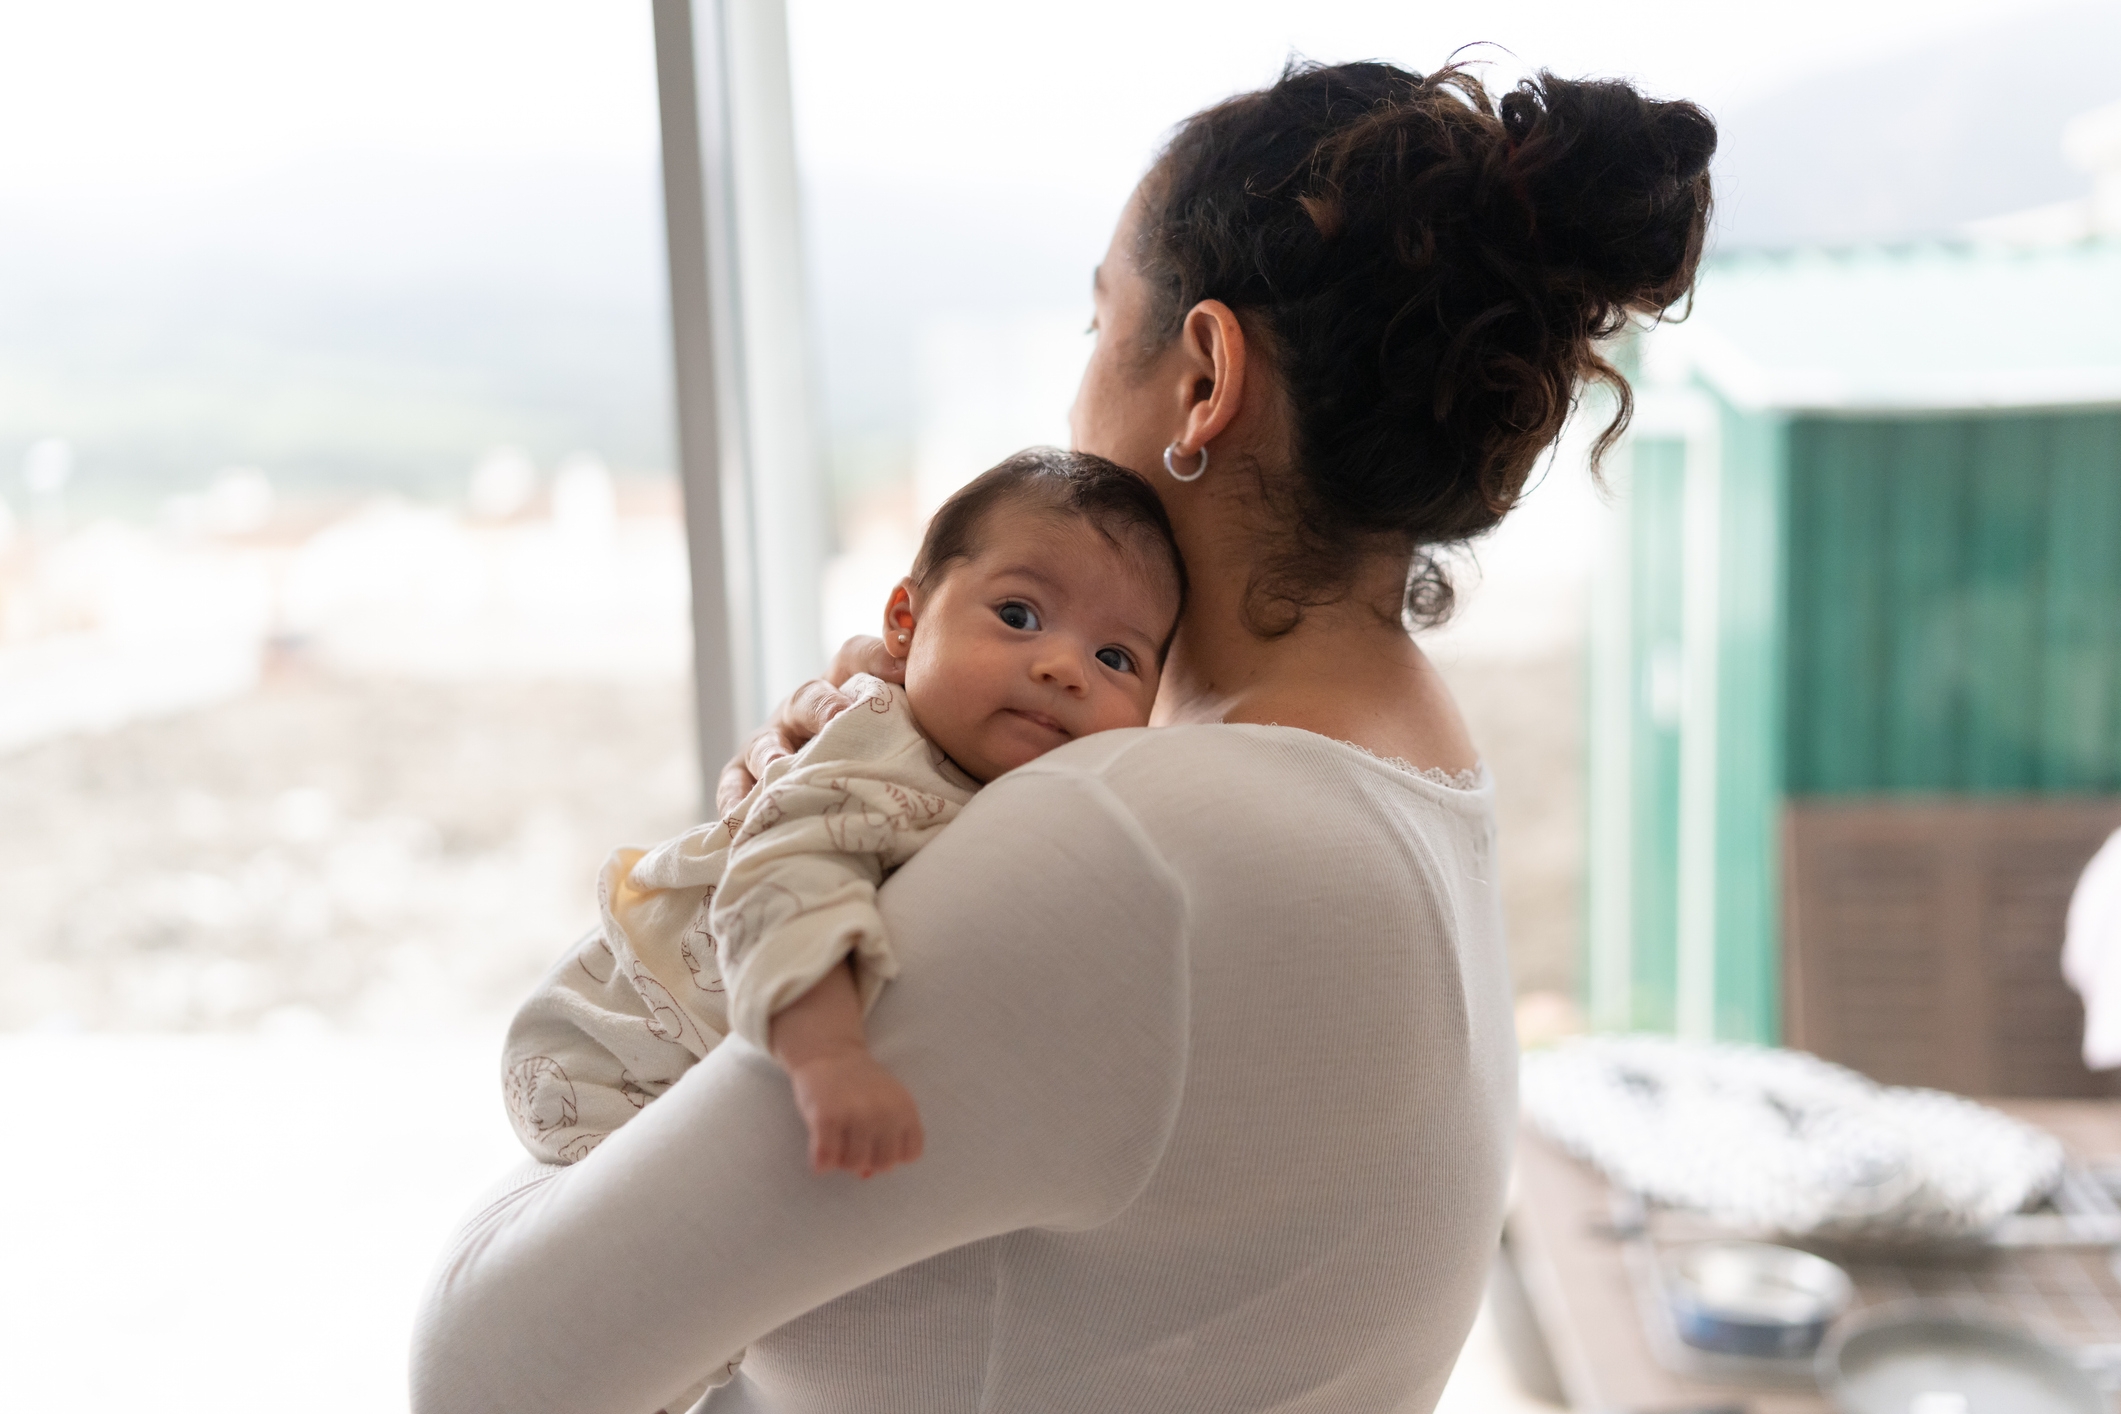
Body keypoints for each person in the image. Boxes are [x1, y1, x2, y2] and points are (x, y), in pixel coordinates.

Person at [412, 59, 1714, 1414]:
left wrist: (694, 980)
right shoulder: (1411, 760)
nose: (1078, 393)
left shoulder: (1134, 856)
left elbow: (488, 1363)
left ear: (1204, 374)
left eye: (1103, 326)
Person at [501, 450, 1186, 1185]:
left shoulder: (1038, 789)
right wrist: (828, 1058)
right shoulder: (879, 742)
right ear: (904, 622)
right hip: (612, 1042)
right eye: (1017, 616)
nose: (1064, 667)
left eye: (1116, 658)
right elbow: (784, 876)